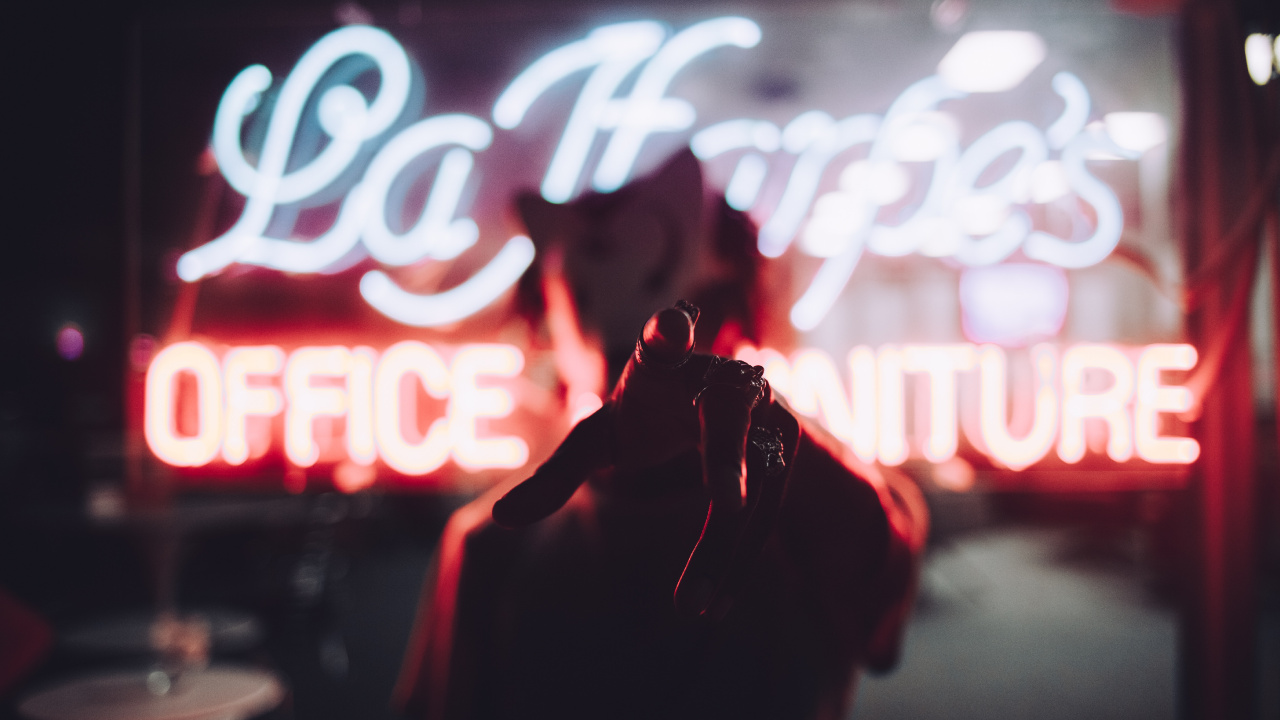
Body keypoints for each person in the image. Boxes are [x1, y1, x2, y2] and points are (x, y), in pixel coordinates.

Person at [395, 303, 926, 720]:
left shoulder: (829, 508)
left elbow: (877, 615)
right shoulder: (488, 546)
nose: (634, 322)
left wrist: (776, 436)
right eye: (588, 281)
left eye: (679, 292)